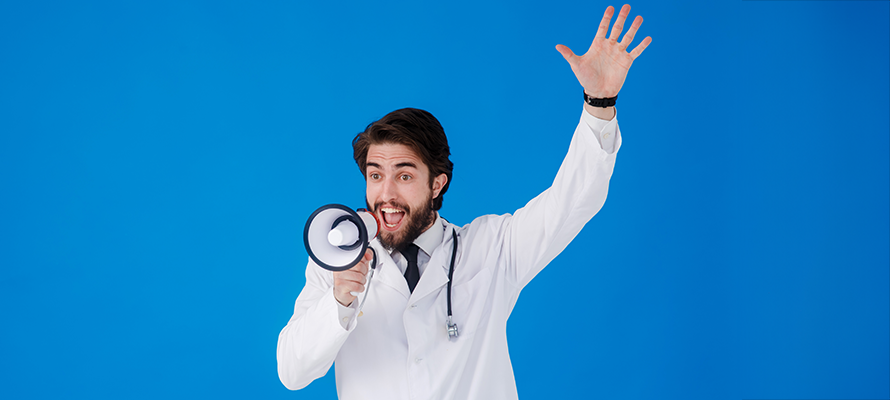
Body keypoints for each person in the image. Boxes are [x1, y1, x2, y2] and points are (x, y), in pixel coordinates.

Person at [277, 4, 651, 399]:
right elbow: (292, 371)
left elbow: (573, 200)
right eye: (375, 175)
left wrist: (599, 105)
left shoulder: (491, 248)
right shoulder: (338, 265)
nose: (385, 193)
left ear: (437, 184)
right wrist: (339, 301)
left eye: (404, 175)